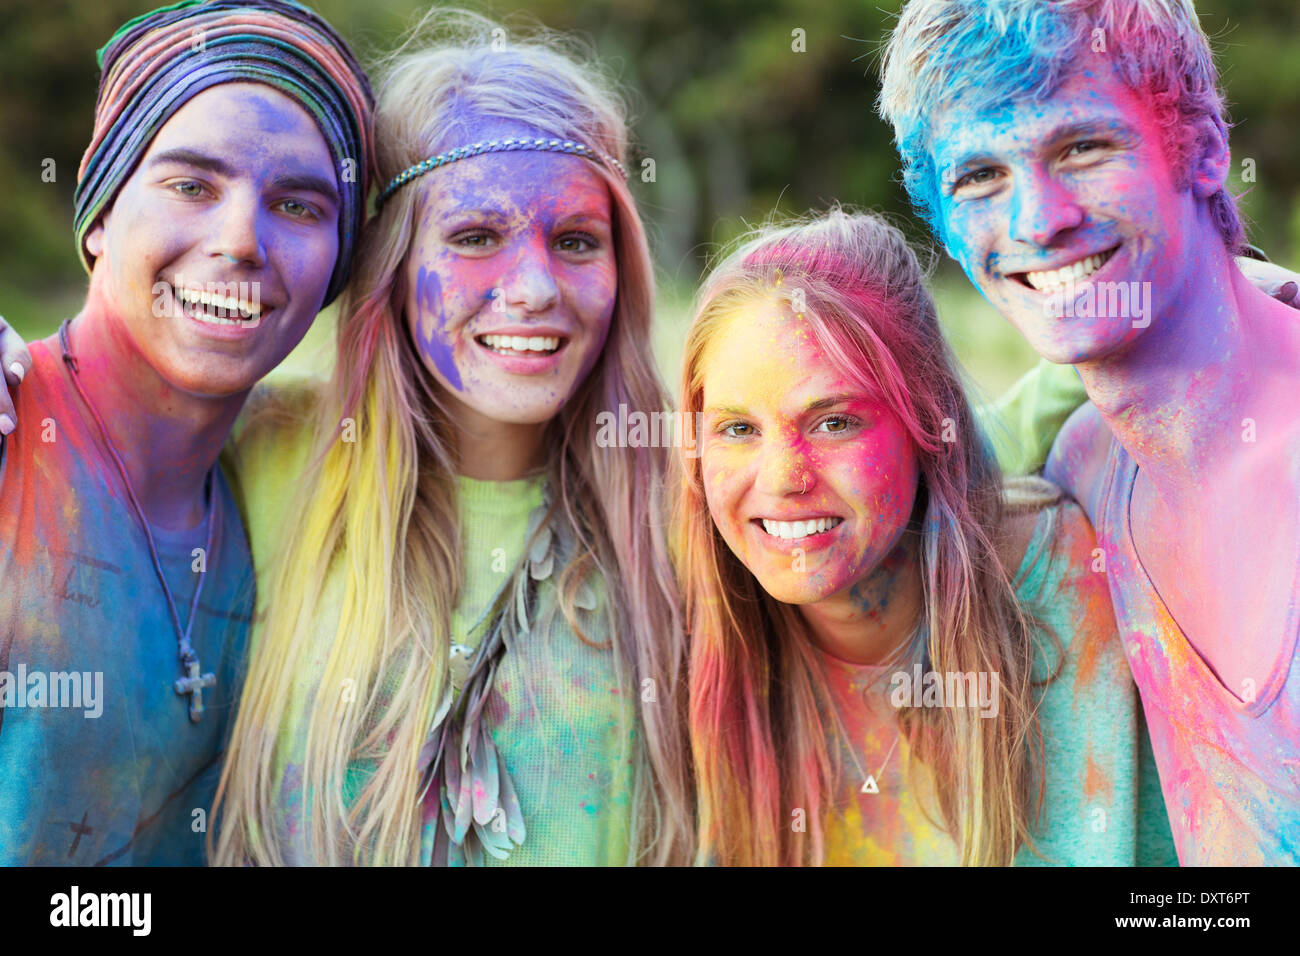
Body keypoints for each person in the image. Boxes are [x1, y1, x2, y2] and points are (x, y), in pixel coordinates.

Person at [211, 11, 693, 866]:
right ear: (392, 263)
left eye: (577, 240)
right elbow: (95, 417)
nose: (536, 288)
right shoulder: (264, 451)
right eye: (475, 238)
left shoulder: (690, 504)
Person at [880, 0, 1300, 864]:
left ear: (1206, 149)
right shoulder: (1081, 470)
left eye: (1084, 146)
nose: (1039, 220)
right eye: (979, 177)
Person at [677, 207, 1174, 866]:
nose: (782, 478)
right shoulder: (685, 630)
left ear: (926, 420)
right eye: (737, 430)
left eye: (834, 422)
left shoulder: (1071, 583)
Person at [0, 0, 373, 865]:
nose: (241, 240)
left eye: (301, 206)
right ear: (98, 215)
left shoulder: (289, 485)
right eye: (190, 185)